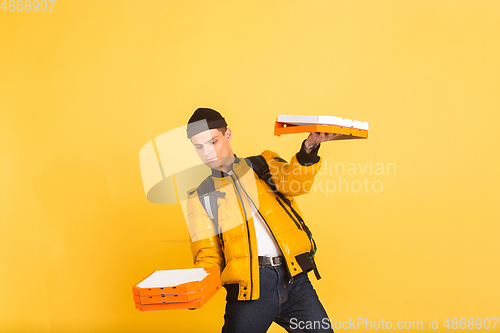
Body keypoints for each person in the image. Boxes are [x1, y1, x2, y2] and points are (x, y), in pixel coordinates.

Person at [185, 108, 340, 333]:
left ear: (227, 134)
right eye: (199, 147)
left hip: (294, 279)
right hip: (251, 288)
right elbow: (207, 255)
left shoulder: (263, 164)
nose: (207, 152)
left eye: (213, 142)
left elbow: (294, 183)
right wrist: (196, 287)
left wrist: (309, 149)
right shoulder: (200, 196)